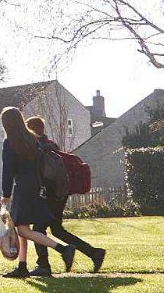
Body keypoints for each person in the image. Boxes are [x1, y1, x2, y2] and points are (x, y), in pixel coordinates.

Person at [0, 107, 76, 278]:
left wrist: (5, 194)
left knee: (23, 230)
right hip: (36, 186)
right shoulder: (32, 138)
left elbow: (8, 170)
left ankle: (63, 249)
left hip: (23, 188)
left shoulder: (10, 142)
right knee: (22, 227)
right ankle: (22, 265)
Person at [26, 116, 107, 275]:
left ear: (30, 130)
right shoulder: (51, 145)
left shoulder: (39, 147)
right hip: (60, 193)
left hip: (50, 194)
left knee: (38, 229)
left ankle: (44, 266)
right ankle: (94, 253)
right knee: (57, 230)